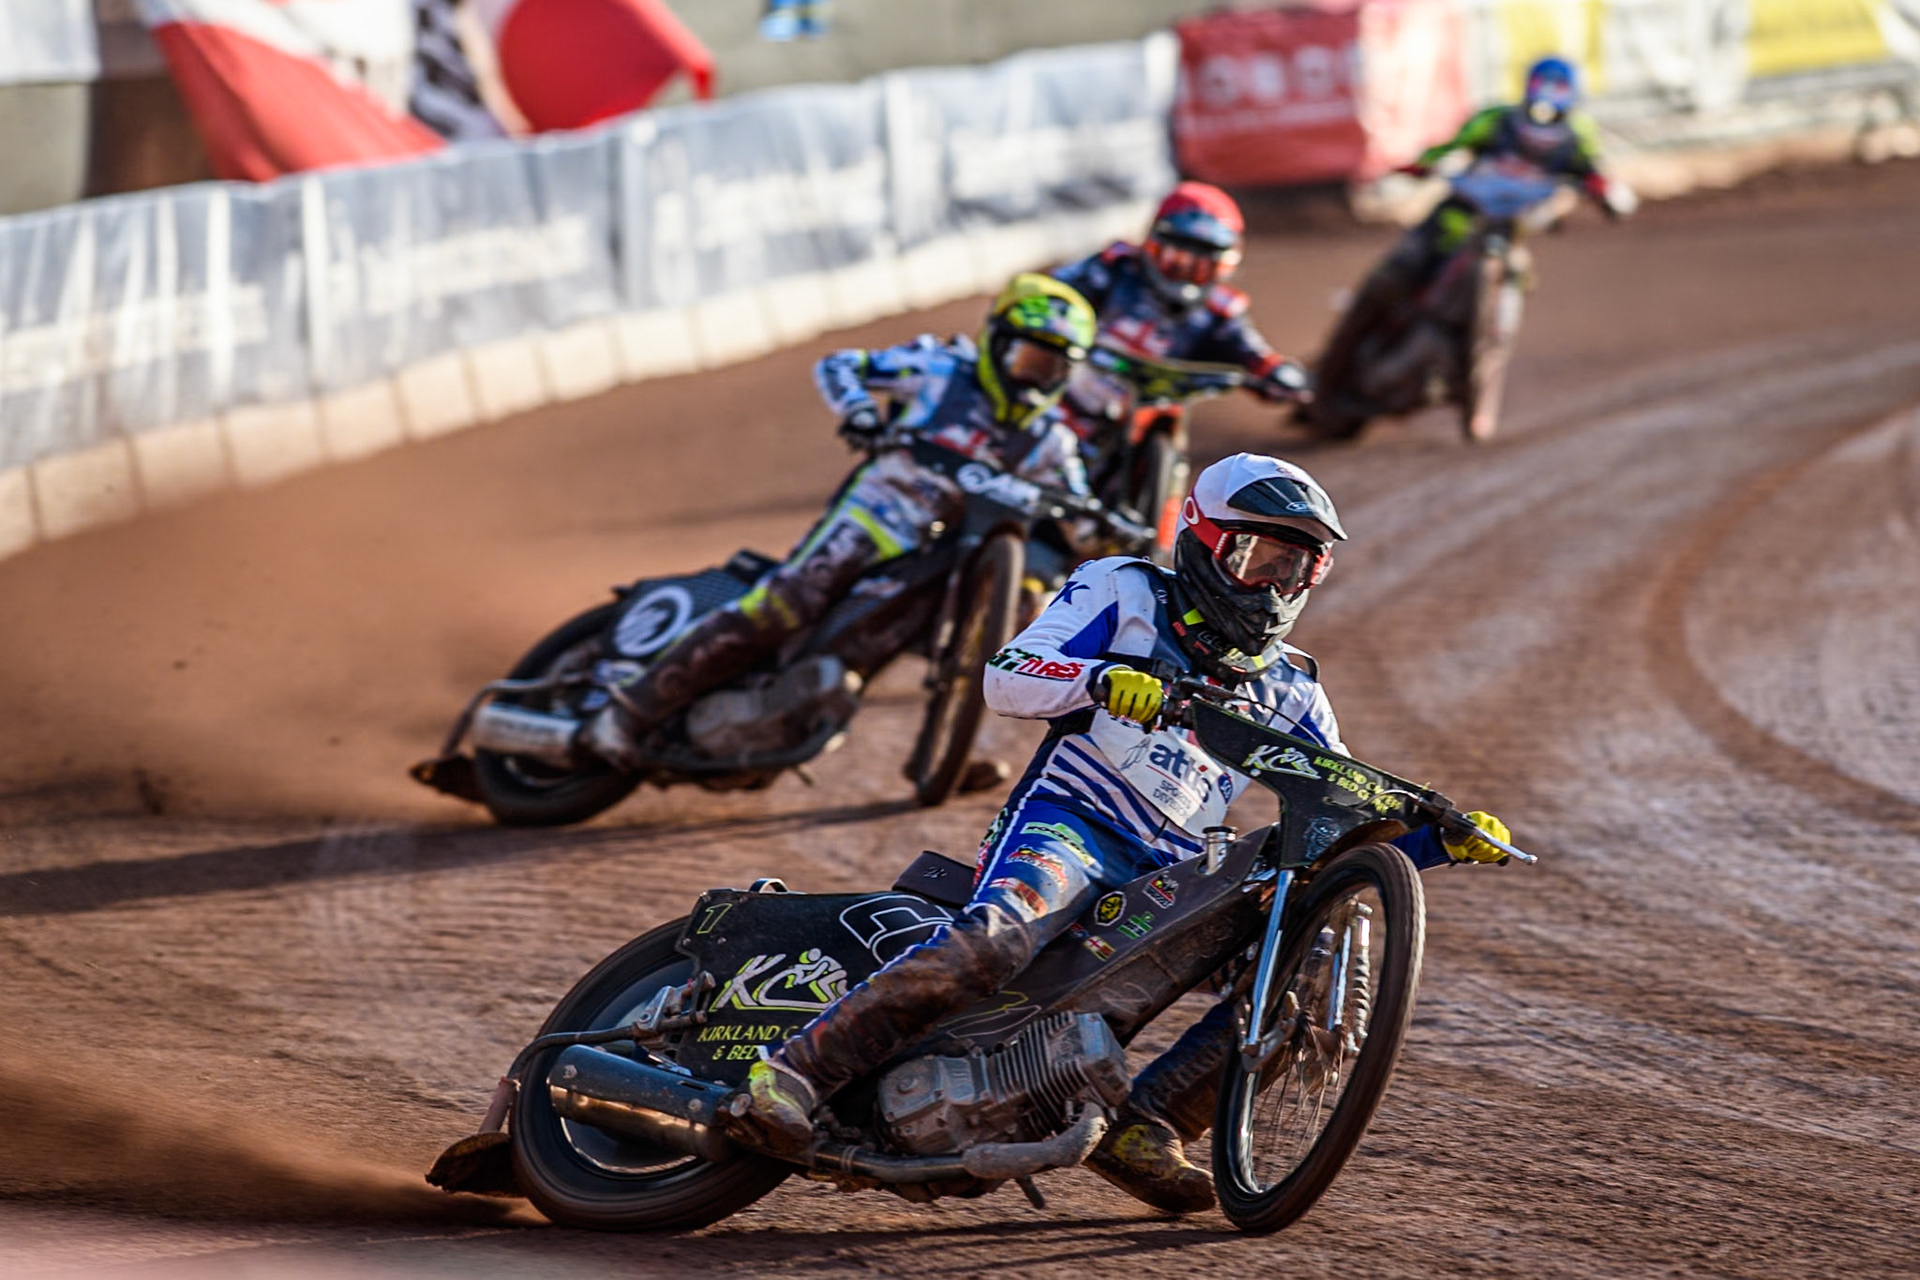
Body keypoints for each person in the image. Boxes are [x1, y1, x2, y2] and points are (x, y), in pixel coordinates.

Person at [727, 452, 1513, 1213]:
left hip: (1171, 876)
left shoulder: (1298, 691)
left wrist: (1429, 844)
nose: (1273, 586)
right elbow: (1005, 675)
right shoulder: (1124, 590)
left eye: (1295, 569)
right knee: (998, 941)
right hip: (1069, 825)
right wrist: (1099, 680)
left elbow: (1338, 825)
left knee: (1302, 977)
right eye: (1256, 557)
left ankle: (1151, 1123)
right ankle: (793, 1073)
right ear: (1202, 541)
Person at [580, 273, 1097, 766]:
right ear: (996, 343)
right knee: (787, 603)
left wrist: (1105, 529)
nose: (1035, 378)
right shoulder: (939, 368)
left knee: (992, 629)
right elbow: (840, 366)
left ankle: (950, 756)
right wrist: (861, 412)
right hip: (878, 514)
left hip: (950, 552)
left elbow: (1080, 507)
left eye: (1050, 369)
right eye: (1027, 359)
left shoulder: (1052, 439)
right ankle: (626, 713)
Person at [1308, 54, 1633, 417]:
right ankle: (1327, 373)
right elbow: (1452, 145)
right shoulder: (1497, 119)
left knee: (1520, 275)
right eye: (1544, 87)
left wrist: (1604, 191)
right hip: (1457, 215)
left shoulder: (1579, 134)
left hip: (1510, 227)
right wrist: (1422, 163)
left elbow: (1595, 169)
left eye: (1557, 89)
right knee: (1392, 274)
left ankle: (1476, 360)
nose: (1547, 98)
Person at [1051, 181, 1309, 405]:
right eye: (1176, 260)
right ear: (1152, 244)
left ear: (1223, 267)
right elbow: (1053, 292)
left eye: (1201, 267)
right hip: (1064, 392)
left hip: (1154, 408)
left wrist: (1278, 373)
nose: (1186, 272)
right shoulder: (1112, 268)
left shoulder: (1219, 311)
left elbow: (1253, 354)